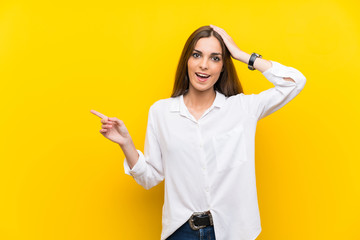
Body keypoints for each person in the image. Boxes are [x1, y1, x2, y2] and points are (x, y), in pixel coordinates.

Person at [90, 24, 306, 240]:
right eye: (197, 55)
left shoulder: (242, 109)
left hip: (234, 231)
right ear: (187, 60)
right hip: (181, 231)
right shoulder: (161, 112)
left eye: (215, 58)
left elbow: (295, 82)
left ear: (223, 66)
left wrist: (241, 55)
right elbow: (150, 177)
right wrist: (126, 144)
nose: (204, 65)